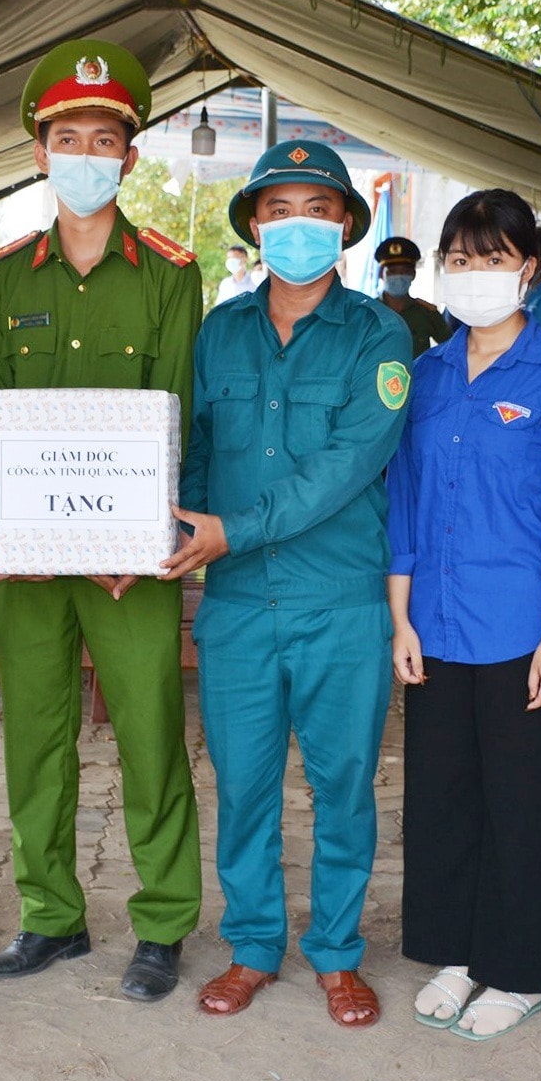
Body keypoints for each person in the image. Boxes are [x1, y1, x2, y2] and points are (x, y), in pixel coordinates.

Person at [0, 39, 203, 1004]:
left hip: (129, 561)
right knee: (32, 737)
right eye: (67, 137)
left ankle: (162, 922)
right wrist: (2, 519)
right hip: (30, 561)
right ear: (38, 152)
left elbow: (175, 403)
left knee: (151, 734)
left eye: (103, 139)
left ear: (130, 158)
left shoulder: (167, 271)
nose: (84, 153)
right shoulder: (1, 277)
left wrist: (132, 536)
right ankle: (50, 915)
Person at [160, 141, 411, 1027]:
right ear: (255, 226)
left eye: (315, 208)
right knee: (244, 782)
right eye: (277, 210)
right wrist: (172, 531)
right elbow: (191, 453)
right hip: (235, 604)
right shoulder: (218, 330)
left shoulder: (379, 334)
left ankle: (338, 953)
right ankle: (253, 944)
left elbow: (350, 464)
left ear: (344, 225)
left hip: (338, 600)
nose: (296, 225)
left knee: (343, 781)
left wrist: (232, 529)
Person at [388, 189, 541, 1040]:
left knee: (521, 801)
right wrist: (399, 621)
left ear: (531, 270)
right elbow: (402, 506)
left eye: (493, 258)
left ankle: (516, 970)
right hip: (434, 624)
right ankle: (457, 952)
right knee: (443, 799)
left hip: (522, 628)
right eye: (460, 259)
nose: (474, 274)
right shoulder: (428, 373)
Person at [375, 235, 452, 359]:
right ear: (380, 274)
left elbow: (452, 349)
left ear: (413, 274)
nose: (399, 276)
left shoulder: (427, 313)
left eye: (404, 271)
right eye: (392, 271)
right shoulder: (369, 313)